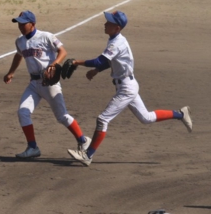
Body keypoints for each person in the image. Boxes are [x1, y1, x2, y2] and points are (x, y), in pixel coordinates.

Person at [64, 10, 192, 166]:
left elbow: (99, 61)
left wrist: (77, 62)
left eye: (109, 22)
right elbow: (108, 61)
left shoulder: (117, 43)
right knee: (146, 118)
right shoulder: (116, 39)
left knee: (103, 119)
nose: (105, 24)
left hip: (126, 88)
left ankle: (88, 155)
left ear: (117, 27)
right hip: (128, 85)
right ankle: (180, 114)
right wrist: (97, 71)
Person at [3, 11, 90, 159]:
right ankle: (32, 147)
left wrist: (53, 65)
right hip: (33, 84)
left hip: (50, 83)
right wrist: (11, 72)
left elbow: (63, 51)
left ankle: (83, 140)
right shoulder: (20, 41)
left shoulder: (46, 36)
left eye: (24, 23)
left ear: (33, 24)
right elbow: (19, 55)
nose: (21, 26)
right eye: (19, 23)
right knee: (23, 112)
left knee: (61, 116)